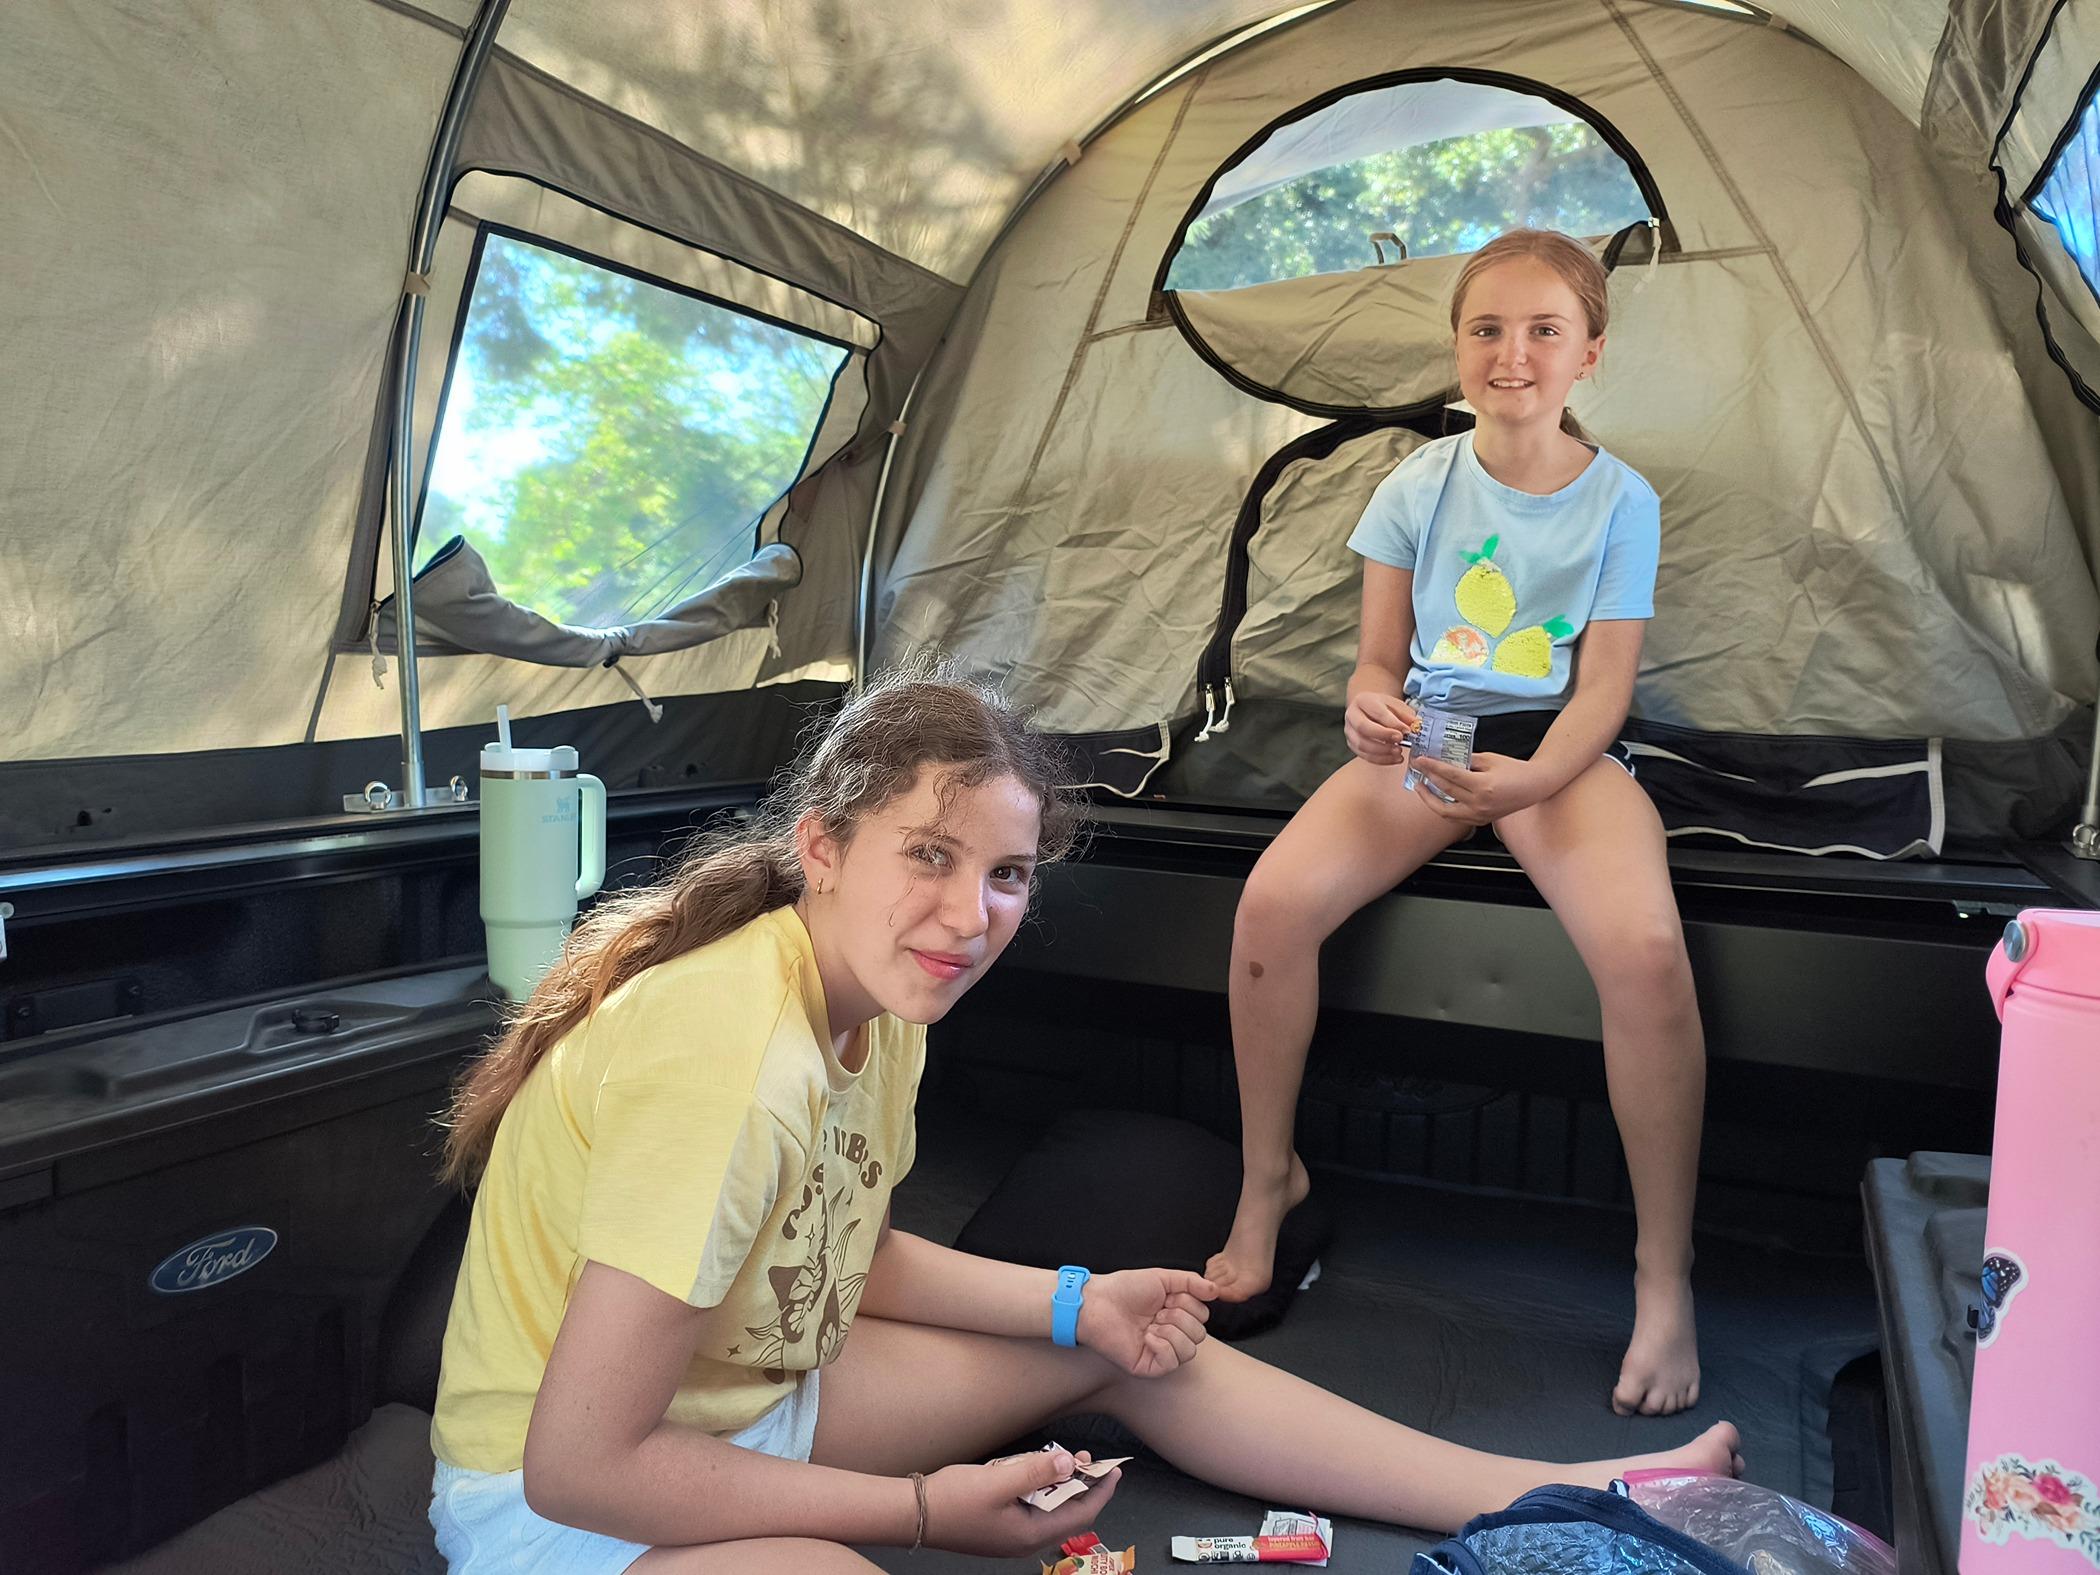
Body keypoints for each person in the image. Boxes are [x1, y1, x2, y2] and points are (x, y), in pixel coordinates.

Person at [427, 671, 1739, 1574]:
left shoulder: (877, 1006)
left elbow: (839, 1250)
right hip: (568, 1509)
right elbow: (579, 1465)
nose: (971, 915)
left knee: (1134, 1346)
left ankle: (1571, 1493)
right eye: (927, 856)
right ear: (823, 846)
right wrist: (929, 1511)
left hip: (750, 1398)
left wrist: (1076, 1305)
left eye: (1005, 875)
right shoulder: (729, 1051)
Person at [1205, 229, 1708, 1419]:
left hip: (1559, 754)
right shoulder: (1417, 483)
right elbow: (1377, 663)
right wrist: (1372, 708)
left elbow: (1601, 695)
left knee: (1647, 958)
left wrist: (1528, 787)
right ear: (1457, 349)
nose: (1512, 353)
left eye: (1543, 331)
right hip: (1432, 737)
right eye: (1488, 329)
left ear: (1588, 354)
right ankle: (1267, 1180)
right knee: (1272, 906)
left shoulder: (1621, 500)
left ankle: (1662, 1274)